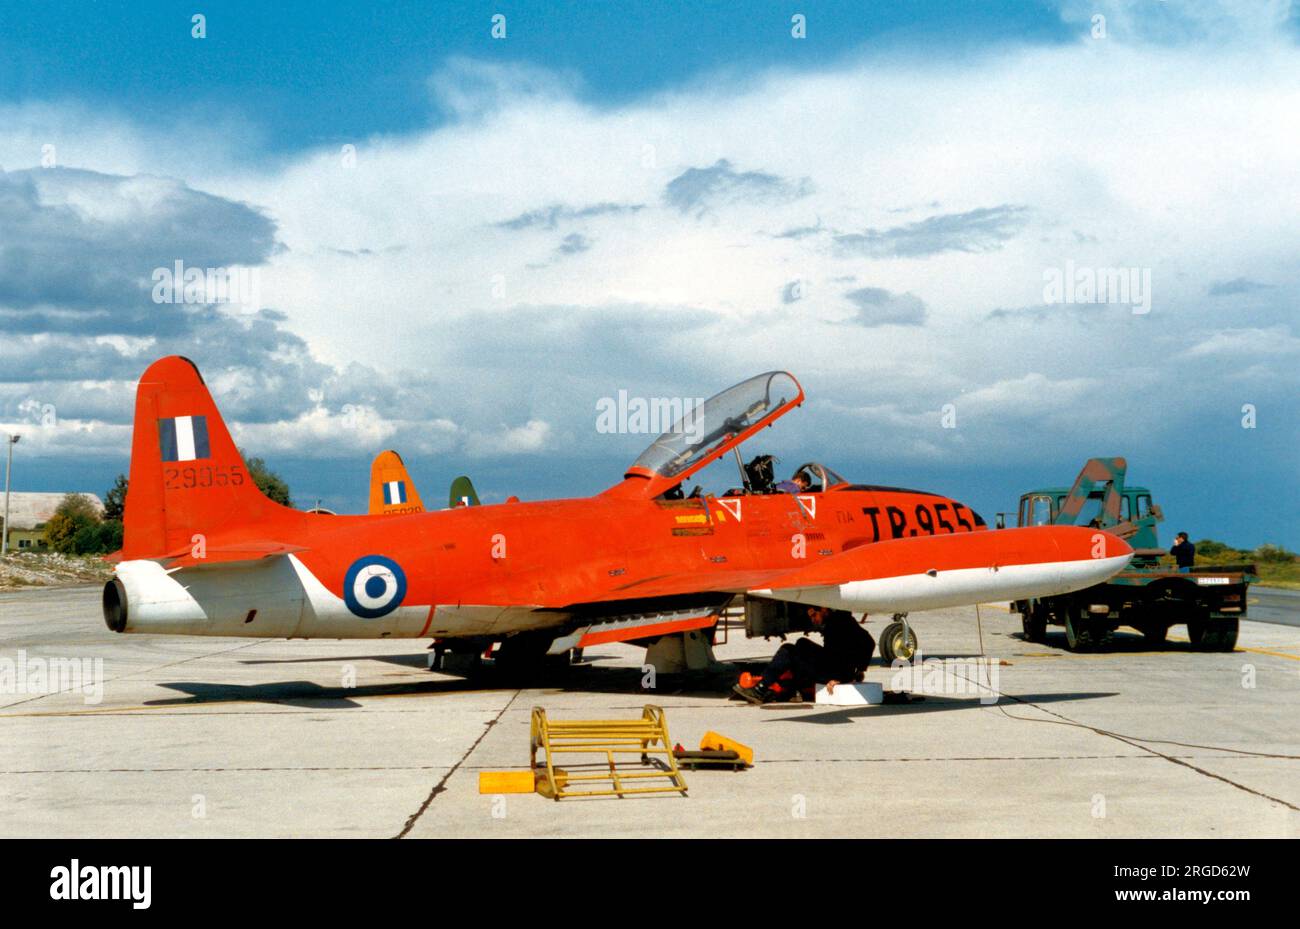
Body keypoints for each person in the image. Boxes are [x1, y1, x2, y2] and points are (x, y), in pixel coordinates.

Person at [733, 606, 876, 704]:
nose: (813, 620)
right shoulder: (840, 621)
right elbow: (867, 643)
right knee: (802, 644)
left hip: (836, 673)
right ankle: (795, 689)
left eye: (815, 615)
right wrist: (860, 670)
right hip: (837, 669)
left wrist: (843, 677)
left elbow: (866, 644)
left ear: (824, 610)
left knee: (788, 651)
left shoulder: (838, 625)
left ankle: (761, 689)